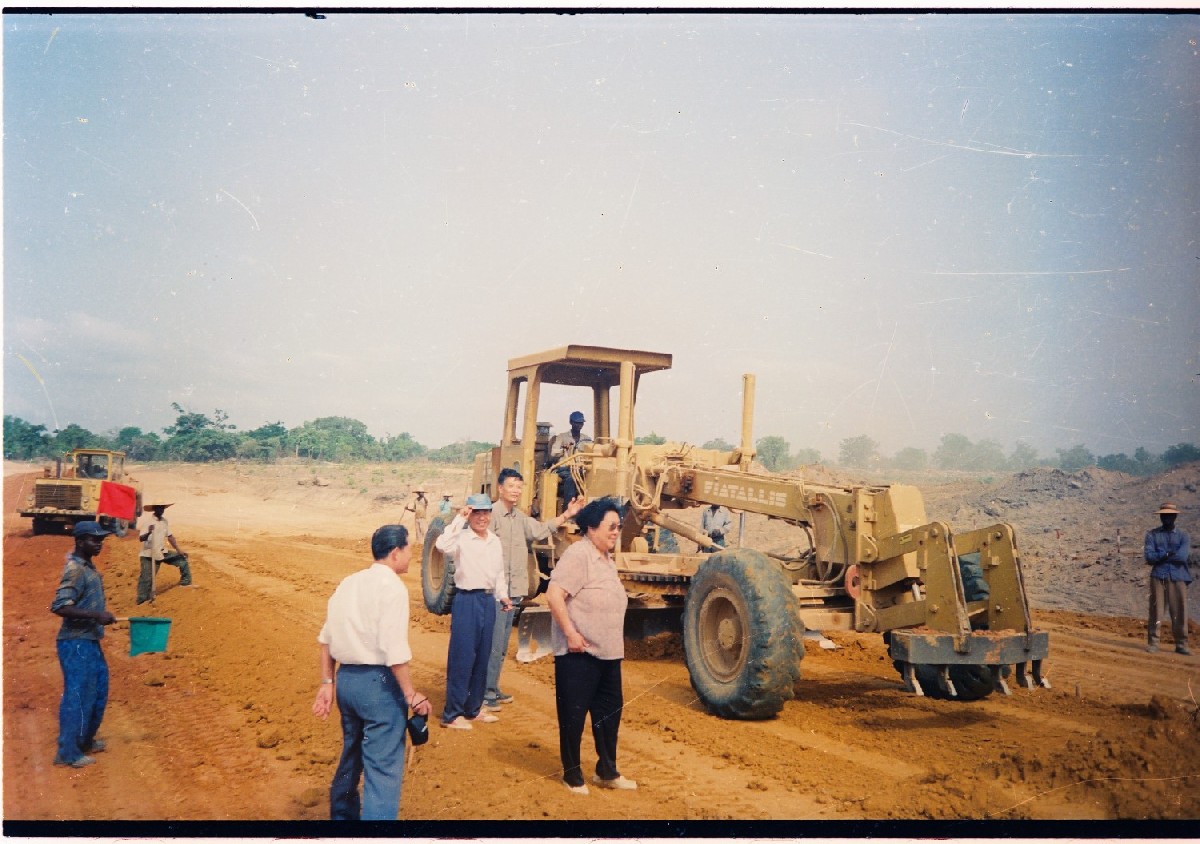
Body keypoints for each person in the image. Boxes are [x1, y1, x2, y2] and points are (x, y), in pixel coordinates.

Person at [312, 524, 433, 821]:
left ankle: (342, 822)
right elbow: (394, 651)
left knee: (351, 756)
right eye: (409, 550)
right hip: (378, 687)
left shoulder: (349, 583)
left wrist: (327, 683)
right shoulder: (393, 588)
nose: (411, 556)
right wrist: (410, 695)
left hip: (347, 684)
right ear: (395, 553)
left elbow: (326, 639)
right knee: (382, 772)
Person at [546, 497, 636, 795]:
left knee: (609, 715)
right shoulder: (579, 555)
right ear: (591, 527)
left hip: (608, 653)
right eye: (611, 527)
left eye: (618, 527)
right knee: (573, 716)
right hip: (580, 653)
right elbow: (554, 595)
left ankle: (606, 771)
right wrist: (571, 634)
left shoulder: (606, 559)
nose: (615, 532)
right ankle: (572, 775)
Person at [483, 468, 583, 711]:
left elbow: (541, 529)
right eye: (511, 486)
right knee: (493, 643)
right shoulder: (490, 516)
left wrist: (568, 514)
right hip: (496, 592)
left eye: (519, 486)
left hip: (514, 589)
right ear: (500, 488)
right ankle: (485, 693)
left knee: (503, 643)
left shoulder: (520, 518)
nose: (516, 490)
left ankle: (493, 688)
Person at [434, 493, 512, 729]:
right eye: (476, 513)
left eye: (485, 512)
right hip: (467, 600)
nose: (481, 518)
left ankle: (473, 708)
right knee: (463, 657)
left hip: (488, 601)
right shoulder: (461, 538)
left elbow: (498, 574)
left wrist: (503, 596)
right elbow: (441, 545)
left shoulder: (494, 541)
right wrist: (459, 519)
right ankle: (452, 714)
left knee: (482, 656)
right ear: (470, 514)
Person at [51, 521, 118, 768]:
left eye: (101, 540)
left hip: (89, 640)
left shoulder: (89, 567)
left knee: (98, 691)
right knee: (77, 697)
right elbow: (60, 606)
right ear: (80, 542)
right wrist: (95, 616)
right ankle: (67, 753)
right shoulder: (75, 569)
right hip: (75, 643)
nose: (98, 544)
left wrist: (100, 617)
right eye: (94, 540)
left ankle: (85, 741)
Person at [1145, 502, 1191, 655]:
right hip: (1159, 576)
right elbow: (1149, 557)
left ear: (1175, 516)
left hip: (1179, 576)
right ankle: (1153, 643)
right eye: (1164, 515)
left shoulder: (1183, 536)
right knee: (1156, 611)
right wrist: (1166, 554)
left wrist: (1162, 556)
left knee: (1179, 611)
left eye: (1170, 515)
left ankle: (1181, 644)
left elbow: (1182, 557)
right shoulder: (1152, 534)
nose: (1166, 518)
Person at [137, 503, 191, 604]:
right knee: (146, 578)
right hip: (149, 554)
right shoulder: (148, 522)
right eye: (159, 507)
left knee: (182, 559)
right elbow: (141, 538)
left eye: (162, 508)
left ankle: (185, 582)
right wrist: (149, 532)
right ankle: (142, 600)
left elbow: (170, 537)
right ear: (154, 509)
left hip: (162, 552)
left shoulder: (164, 521)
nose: (161, 510)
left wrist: (179, 550)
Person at [549, 411, 593, 503]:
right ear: (571, 422)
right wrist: (564, 449)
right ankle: (568, 510)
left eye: (581, 423)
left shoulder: (587, 439)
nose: (579, 425)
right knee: (571, 479)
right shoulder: (561, 437)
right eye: (576, 423)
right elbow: (553, 453)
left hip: (581, 469)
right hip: (564, 469)